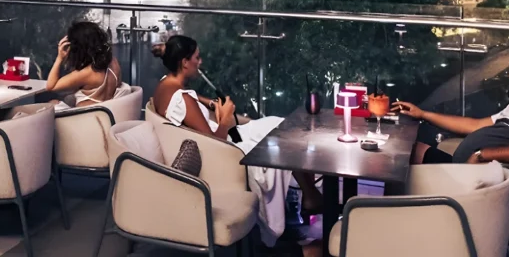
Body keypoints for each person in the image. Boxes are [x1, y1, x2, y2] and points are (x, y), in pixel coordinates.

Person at [151, 36, 322, 251]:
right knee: (281, 138)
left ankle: (309, 194)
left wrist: (212, 104)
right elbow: (216, 144)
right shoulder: (181, 99)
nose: (200, 61)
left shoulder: (165, 87)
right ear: (185, 62)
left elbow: (191, 101)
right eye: (197, 57)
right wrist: (225, 117)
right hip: (227, 150)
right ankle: (311, 195)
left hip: (231, 138)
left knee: (279, 125)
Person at [393, 50, 509, 167]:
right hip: (462, 168)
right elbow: (475, 125)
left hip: (474, 182)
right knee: (410, 150)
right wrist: (422, 113)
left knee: (397, 162)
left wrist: (482, 155)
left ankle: (386, 209)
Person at [46, 22, 124, 108]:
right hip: (106, 113)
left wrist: (59, 58)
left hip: (85, 117)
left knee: (51, 104)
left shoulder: (87, 73)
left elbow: (51, 86)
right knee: (68, 98)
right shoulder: (113, 62)